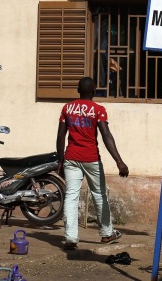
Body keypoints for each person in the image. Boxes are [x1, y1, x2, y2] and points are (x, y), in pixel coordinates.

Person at [56, 76, 129, 250]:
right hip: (91, 159)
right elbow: (106, 136)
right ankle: (106, 234)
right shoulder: (98, 110)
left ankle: (71, 238)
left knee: (71, 197)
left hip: (71, 158)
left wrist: (60, 160)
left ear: (78, 90)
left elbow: (60, 136)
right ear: (94, 91)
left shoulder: (67, 108)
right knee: (99, 195)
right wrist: (119, 161)